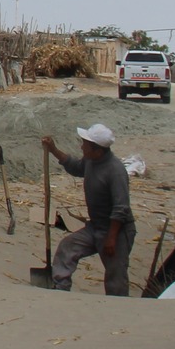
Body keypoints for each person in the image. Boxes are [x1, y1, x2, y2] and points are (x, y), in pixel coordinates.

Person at [41, 124, 137, 296]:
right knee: (68, 247)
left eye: (85, 144)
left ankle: (120, 306)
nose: (81, 146)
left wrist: (112, 238)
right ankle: (60, 289)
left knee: (115, 275)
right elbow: (76, 167)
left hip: (117, 230)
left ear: (98, 150)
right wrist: (53, 150)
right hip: (96, 227)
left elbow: (121, 208)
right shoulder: (91, 161)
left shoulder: (115, 171)